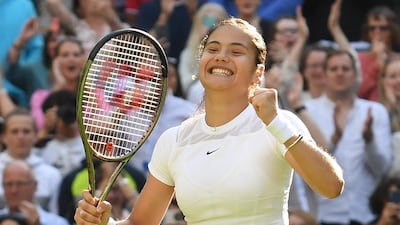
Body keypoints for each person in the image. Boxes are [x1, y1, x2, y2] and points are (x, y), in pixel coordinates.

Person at [74, 18, 344, 225]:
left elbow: (331, 187)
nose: (221, 56)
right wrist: (103, 222)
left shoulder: (279, 124)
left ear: (258, 72)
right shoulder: (175, 139)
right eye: (212, 48)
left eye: (236, 51)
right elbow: (140, 223)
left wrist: (275, 123)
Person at [304, 49, 392, 225]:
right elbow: (306, 170)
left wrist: (369, 141)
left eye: (345, 69)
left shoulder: (375, 111)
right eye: (334, 69)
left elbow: (382, 170)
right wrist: (334, 140)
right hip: (323, 215)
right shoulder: (307, 112)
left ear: (355, 75)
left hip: (366, 215)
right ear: (325, 74)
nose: (339, 73)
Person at [0, 108, 62, 214]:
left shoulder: (52, 175)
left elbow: (57, 217)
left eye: (26, 131)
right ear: (3, 137)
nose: (20, 137)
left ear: (35, 135)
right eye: (14, 131)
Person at [0, 160, 69, 225]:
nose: (14, 190)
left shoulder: (57, 223)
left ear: (35, 186)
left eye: (20, 184)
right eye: (9, 184)